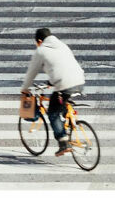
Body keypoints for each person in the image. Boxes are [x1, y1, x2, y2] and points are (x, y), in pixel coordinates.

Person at [20, 28, 85, 157]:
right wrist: (51, 82)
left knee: (53, 113)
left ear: (39, 41)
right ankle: (69, 121)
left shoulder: (41, 50)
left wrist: (25, 88)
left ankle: (63, 142)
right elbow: (62, 66)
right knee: (61, 103)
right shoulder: (62, 45)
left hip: (64, 85)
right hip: (79, 81)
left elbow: (31, 72)